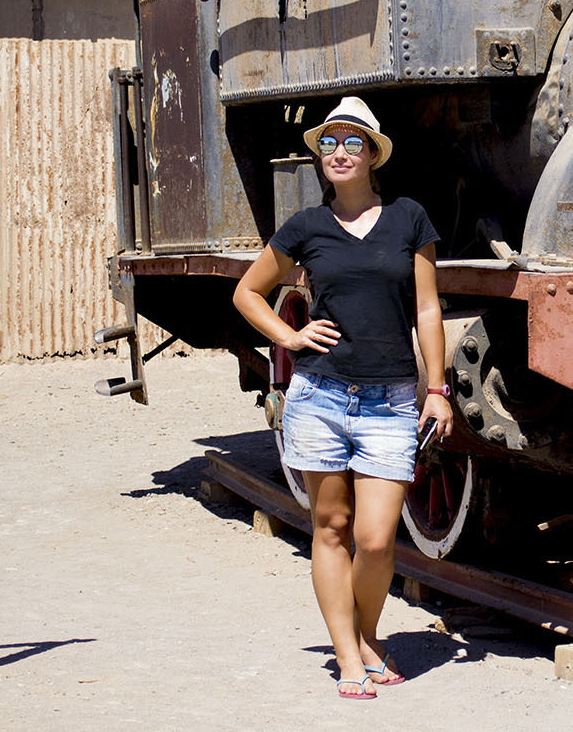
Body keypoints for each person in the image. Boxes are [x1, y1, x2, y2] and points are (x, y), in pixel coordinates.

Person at [232, 96, 453, 700]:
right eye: (329, 142)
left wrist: (437, 389)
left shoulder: (409, 218)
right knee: (331, 528)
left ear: (373, 154)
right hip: (320, 396)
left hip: (390, 400)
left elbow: (429, 308)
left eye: (352, 142)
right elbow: (248, 293)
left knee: (378, 538)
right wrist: (289, 336)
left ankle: (368, 633)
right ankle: (348, 654)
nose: (338, 152)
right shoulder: (306, 227)